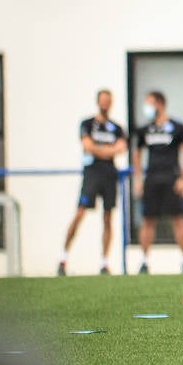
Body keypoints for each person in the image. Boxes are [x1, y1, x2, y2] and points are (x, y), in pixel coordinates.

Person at [58, 89, 126, 275]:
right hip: (92, 174)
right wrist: (108, 150)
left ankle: (104, 262)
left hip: (109, 174)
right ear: (98, 102)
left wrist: (100, 150)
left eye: (108, 101)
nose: (105, 104)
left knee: (108, 217)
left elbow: (121, 148)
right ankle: (63, 258)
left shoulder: (117, 128)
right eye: (102, 100)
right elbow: (87, 147)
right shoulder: (87, 124)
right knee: (80, 213)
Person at [132, 91, 183, 274]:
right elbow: (137, 155)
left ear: (159, 104)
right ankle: (144, 261)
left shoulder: (177, 128)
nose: (147, 108)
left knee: (178, 219)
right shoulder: (145, 130)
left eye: (149, 103)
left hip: (171, 179)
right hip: (151, 180)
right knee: (147, 220)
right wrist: (138, 180)